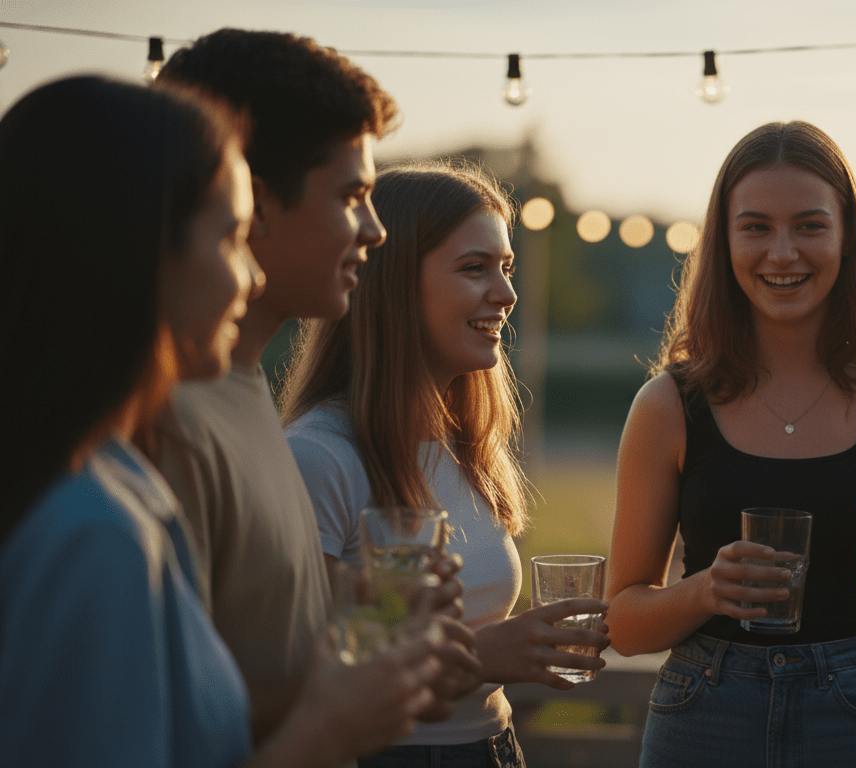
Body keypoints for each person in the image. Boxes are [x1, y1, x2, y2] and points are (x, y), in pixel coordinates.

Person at [0, 75, 444, 767]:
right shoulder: (92, 531)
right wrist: (326, 729)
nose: (253, 276)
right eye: (233, 238)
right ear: (141, 250)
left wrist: (332, 642)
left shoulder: (105, 474)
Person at [150, 29, 479, 747]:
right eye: (353, 194)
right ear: (255, 203)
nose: (375, 230)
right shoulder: (162, 426)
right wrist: (332, 727)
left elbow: (249, 642)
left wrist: (364, 613)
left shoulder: (239, 388)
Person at [606, 121, 856, 767]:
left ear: (848, 236)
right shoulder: (667, 405)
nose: (782, 252)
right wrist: (707, 590)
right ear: (723, 241)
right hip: (704, 716)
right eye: (756, 227)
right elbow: (624, 625)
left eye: (808, 225)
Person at [281, 161, 611, 768]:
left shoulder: (462, 445)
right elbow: (300, 671)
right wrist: (482, 657)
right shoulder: (321, 454)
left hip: (493, 747)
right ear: (393, 283)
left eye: (506, 268)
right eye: (474, 268)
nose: (508, 294)